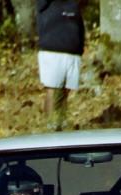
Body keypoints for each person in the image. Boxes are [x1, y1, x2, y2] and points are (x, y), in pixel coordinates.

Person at [36, 0, 85, 131]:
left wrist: (80, 49)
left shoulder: (73, 4)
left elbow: (80, 26)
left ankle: (61, 122)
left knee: (65, 91)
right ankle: (51, 126)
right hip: (52, 52)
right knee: (52, 89)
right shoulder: (45, 4)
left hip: (73, 53)